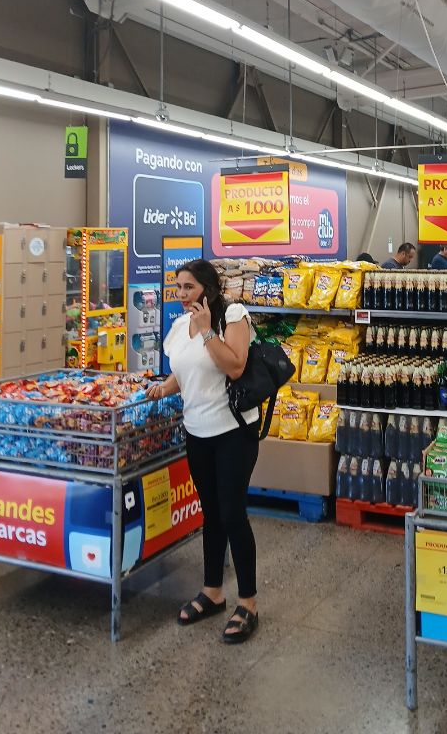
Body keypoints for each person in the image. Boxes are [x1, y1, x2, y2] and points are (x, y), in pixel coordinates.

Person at [146, 259, 259, 644]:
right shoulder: (180, 326)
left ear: (208, 289)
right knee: (210, 513)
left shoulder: (233, 316)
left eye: (189, 287)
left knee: (232, 514)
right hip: (197, 432)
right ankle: (213, 592)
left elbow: (235, 366)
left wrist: (209, 329)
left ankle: (248, 602)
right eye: (178, 287)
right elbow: (185, 371)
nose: (182, 294)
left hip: (233, 432)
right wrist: (164, 387)